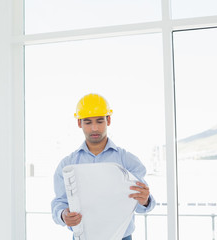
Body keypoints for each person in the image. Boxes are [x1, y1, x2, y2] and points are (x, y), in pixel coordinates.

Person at [51, 93, 156, 240]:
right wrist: (63, 215)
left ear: (109, 120)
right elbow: (60, 202)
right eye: (88, 122)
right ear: (79, 123)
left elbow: (142, 206)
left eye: (100, 121)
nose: (94, 128)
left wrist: (145, 200)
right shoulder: (67, 164)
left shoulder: (127, 161)